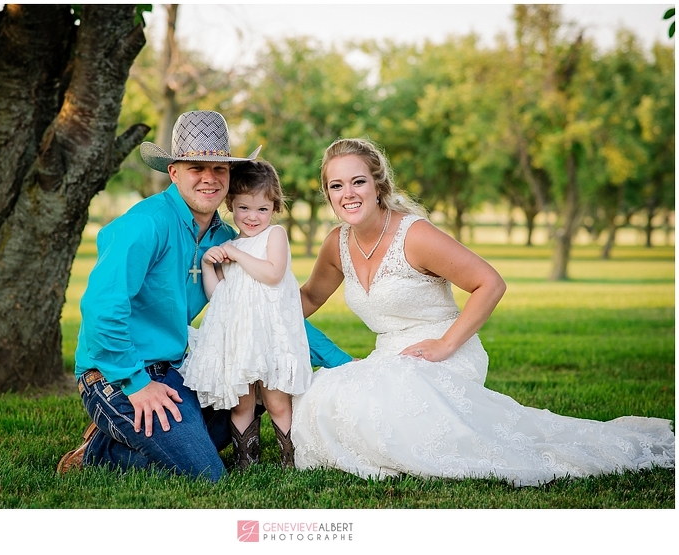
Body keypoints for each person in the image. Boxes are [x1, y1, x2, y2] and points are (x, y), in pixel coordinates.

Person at [291, 137, 675, 486]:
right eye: (336, 186)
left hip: (445, 349)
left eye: (358, 181)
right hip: (389, 356)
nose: (348, 194)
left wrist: (445, 344)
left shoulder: (415, 235)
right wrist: (261, 299)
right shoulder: (336, 243)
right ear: (327, 194)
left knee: (385, 409)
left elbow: (490, 283)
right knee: (322, 394)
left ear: (378, 185)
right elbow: (308, 298)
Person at [57, 111, 351, 481]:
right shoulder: (144, 224)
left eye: (219, 169)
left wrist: (344, 364)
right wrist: (137, 384)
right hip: (114, 372)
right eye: (196, 168)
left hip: (176, 368)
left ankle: (141, 433)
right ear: (174, 172)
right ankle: (99, 451)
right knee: (206, 472)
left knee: (253, 390)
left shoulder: (227, 241)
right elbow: (102, 310)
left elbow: (268, 315)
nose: (209, 178)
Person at [181, 160, 310, 471]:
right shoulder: (229, 246)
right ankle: (246, 461)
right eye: (244, 208)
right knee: (241, 404)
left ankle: (291, 460)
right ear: (231, 205)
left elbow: (273, 273)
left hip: (270, 339)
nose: (253, 216)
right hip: (240, 341)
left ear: (274, 207)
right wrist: (209, 265)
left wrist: (236, 254)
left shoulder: (274, 235)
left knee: (277, 401)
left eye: (262, 209)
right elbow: (219, 297)